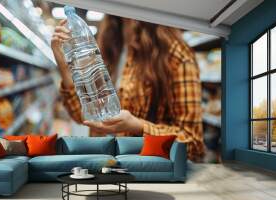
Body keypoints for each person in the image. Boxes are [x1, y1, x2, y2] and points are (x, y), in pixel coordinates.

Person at [51, 16, 205, 162]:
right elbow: (85, 116)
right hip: (103, 165)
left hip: (144, 170)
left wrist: (138, 126)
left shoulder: (175, 55)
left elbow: (192, 143)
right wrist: (65, 69)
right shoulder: (107, 45)